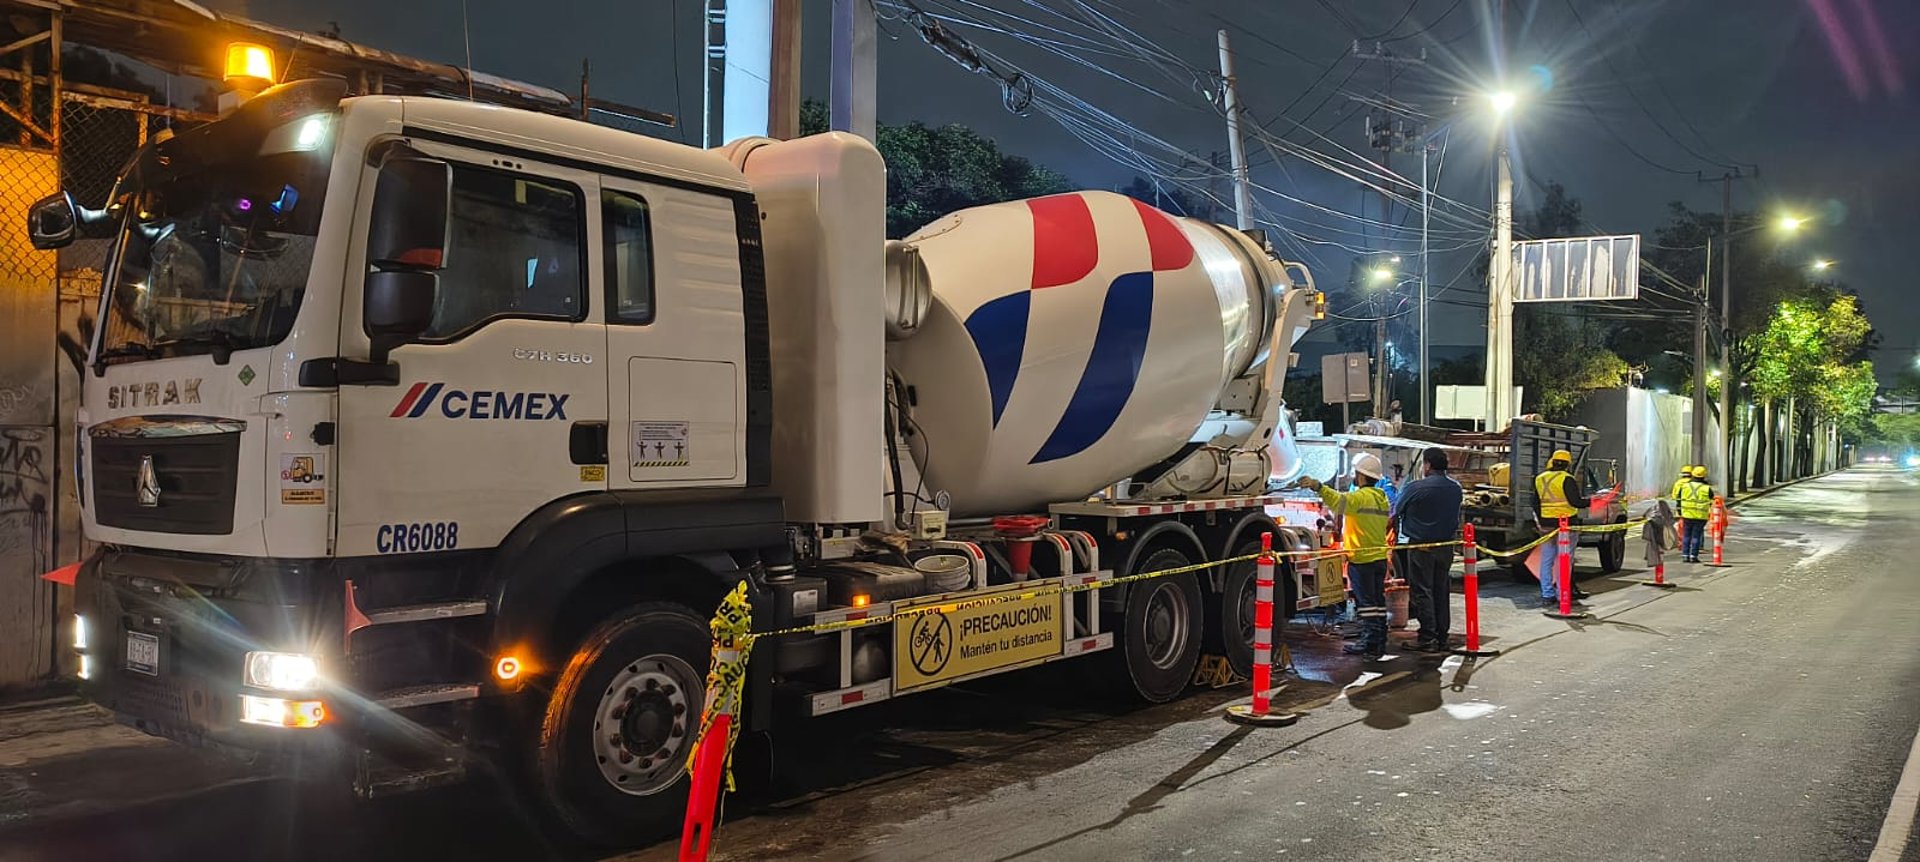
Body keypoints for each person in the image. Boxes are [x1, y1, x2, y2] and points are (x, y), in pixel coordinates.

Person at [1300, 452, 1393, 659]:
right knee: (1377, 603)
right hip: (1378, 557)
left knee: (1367, 605)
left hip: (1362, 559)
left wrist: (1318, 486)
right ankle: (1379, 640)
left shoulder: (1360, 497)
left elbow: (1338, 502)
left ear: (1361, 475)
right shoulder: (1381, 498)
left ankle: (1370, 643)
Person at [1389, 447, 1463, 652]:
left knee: (1423, 591)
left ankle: (1427, 637)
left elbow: (1397, 511)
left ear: (1428, 465)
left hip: (1421, 547)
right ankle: (1442, 636)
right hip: (1445, 547)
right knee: (1441, 590)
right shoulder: (1455, 488)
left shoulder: (1415, 487)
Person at [1533, 449, 1591, 606]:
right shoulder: (1567, 479)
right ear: (1568, 464)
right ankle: (1562, 594)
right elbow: (1575, 502)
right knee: (1564, 560)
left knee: (1546, 560)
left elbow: (1535, 503)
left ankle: (1547, 594)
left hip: (1546, 525)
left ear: (1552, 461)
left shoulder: (1540, 478)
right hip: (1566, 525)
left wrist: (1540, 522)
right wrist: (1591, 501)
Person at [1677, 465, 1716, 562]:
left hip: (1687, 514)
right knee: (1696, 536)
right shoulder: (1706, 488)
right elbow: (1712, 500)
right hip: (1700, 516)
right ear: (1704, 476)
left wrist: (1680, 512)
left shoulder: (1685, 486)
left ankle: (1685, 555)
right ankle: (1693, 556)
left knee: (1686, 535)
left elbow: (1679, 500)